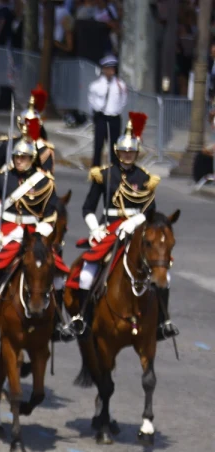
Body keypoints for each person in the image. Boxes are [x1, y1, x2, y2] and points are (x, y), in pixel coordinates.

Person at [0, 119, 65, 338]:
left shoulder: (44, 183)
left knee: (58, 276)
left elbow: (52, 212)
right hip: (5, 232)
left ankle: (59, 324)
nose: (19, 161)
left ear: (32, 158)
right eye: (16, 157)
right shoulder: (3, 179)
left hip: (34, 235)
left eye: (24, 157)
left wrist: (42, 231)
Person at [75, 112, 175, 339]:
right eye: (124, 152)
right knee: (86, 274)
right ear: (117, 152)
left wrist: (133, 223)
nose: (127, 155)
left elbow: (150, 211)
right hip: (109, 228)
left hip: (137, 231)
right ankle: (82, 317)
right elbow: (88, 208)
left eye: (131, 152)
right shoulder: (104, 175)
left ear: (136, 153)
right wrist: (95, 228)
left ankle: (163, 322)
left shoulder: (144, 177)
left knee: (164, 276)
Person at [88, 55, 126, 168]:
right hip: (101, 117)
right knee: (98, 146)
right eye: (108, 68)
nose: (111, 71)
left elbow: (123, 100)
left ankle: (115, 170)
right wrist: (98, 109)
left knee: (114, 147)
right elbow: (91, 100)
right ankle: (95, 171)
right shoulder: (96, 85)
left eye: (113, 68)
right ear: (103, 69)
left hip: (114, 117)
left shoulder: (120, 85)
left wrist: (117, 110)